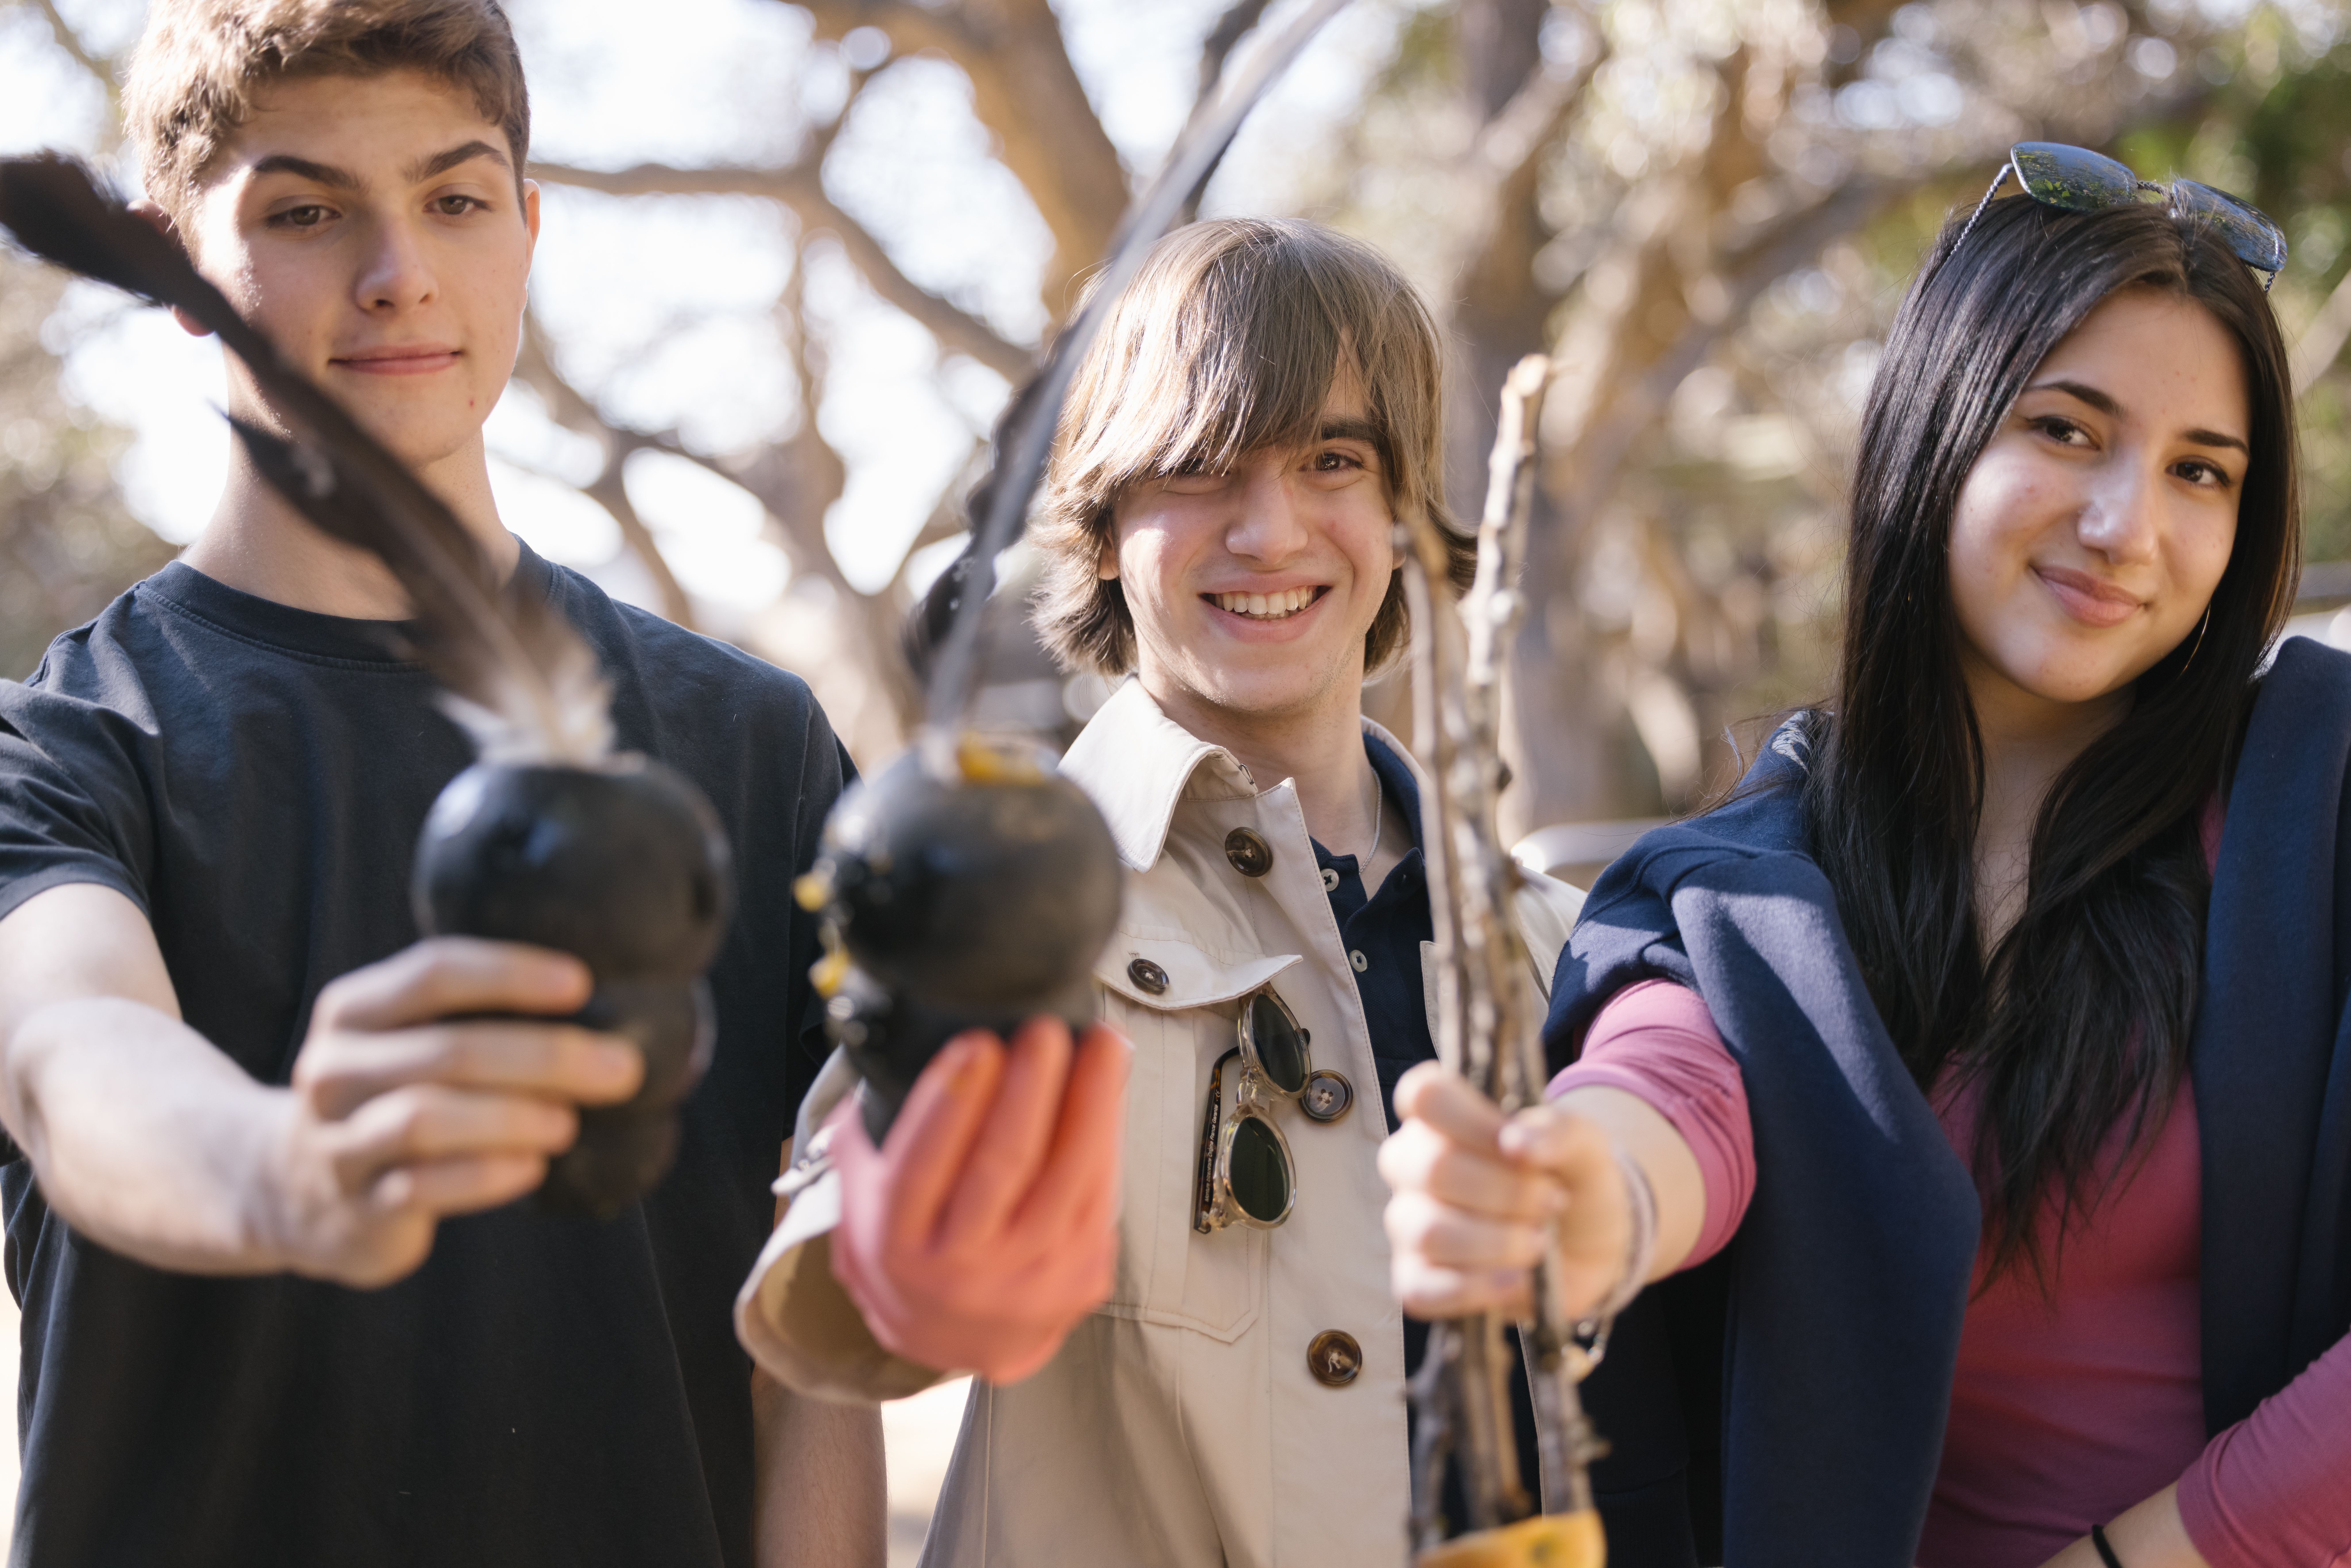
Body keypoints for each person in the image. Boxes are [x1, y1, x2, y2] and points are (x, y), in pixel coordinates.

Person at [1380, 146, 2351, 1568]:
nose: (2124, 525)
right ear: (1934, 430)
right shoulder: (1743, 880)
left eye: (2198, 470)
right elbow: (1667, 1084)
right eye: (2068, 430)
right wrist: (1583, 1198)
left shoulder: (2319, 811)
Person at [0, 3, 883, 1562]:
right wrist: (278, 1169)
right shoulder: (62, 743)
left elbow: (811, 1342)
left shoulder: (759, 743)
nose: (398, 269)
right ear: (174, 260)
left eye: (456, 199)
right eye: (307, 210)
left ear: (528, 230)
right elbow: (73, 1061)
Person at [734, 218, 1587, 1564]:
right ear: (1107, 513)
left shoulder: (1544, 942)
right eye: (1200, 466)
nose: (1270, 529)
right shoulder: (999, 888)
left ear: (1402, 508)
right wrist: (923, 1251)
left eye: (1332, 461)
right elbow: (846, 1288)